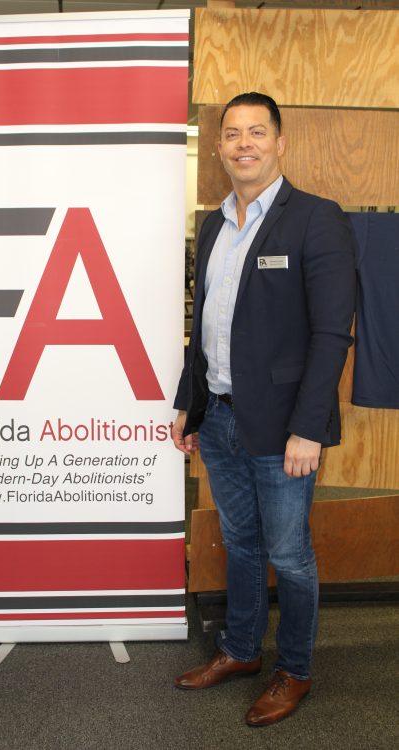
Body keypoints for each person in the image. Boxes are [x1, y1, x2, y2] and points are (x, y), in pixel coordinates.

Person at [171, 92, 356, 726]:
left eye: (257, 131)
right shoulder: (214, 224)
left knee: (289, 553)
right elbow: (205, 325)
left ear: (280, 143)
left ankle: (295, 669)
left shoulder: (316, 218)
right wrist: (188, 404)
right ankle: (242, 650)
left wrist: (309, 427)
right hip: (219, 416)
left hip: (285, 427)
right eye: (232, 133)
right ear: (219, 147)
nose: (243, 143)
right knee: (242, 544)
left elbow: (333, 334)